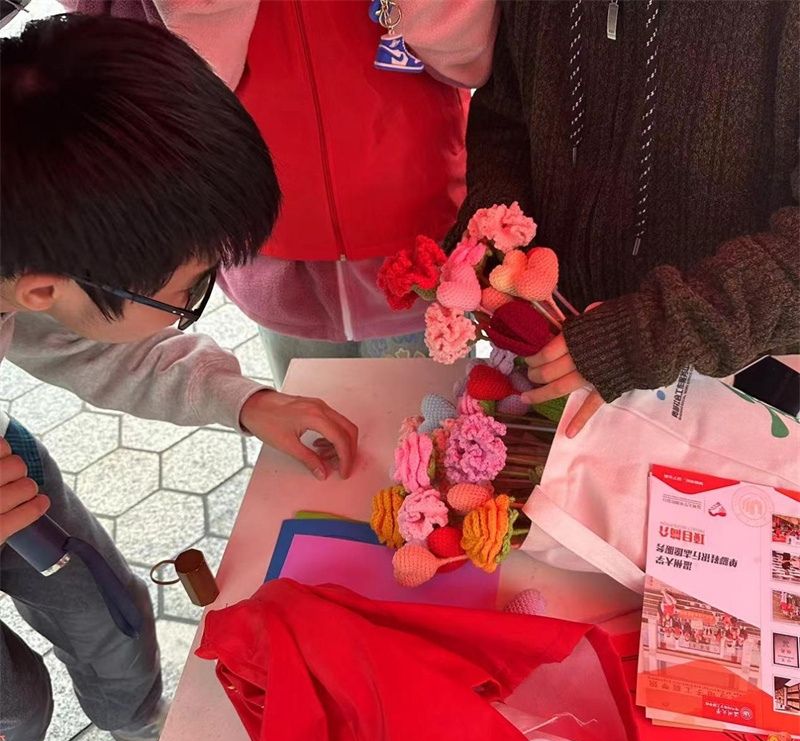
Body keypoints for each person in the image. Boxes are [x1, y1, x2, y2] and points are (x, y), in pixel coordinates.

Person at [0, 15, 357, 741]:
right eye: (186, 292)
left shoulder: (23, 251)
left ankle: (140, 725)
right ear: (42, 289)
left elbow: (95, 348)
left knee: (105, 608)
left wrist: (246, 400)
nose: (197, 300)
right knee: (9, 701)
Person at [65, 0, 500, 386]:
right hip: (270, 244)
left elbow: (474, 59)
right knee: (312, 430)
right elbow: (157, 85)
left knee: (438, 430)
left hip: (422, 237)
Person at [450, 0, 798, 437]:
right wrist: (496, 234)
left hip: (729, 393)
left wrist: (653, 332)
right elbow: (505, 116)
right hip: (545, 369)